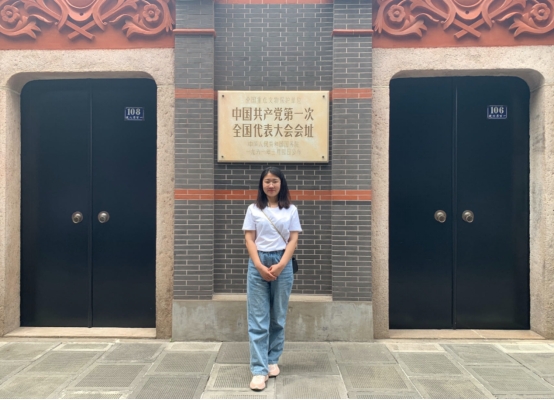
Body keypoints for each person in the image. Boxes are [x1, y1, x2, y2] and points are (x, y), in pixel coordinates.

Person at [242, 166, 302, 391]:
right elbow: (249, 239)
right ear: (262, 184)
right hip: (258, 262)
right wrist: (259, 265)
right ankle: (259, 370)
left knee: (278, 316)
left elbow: (293, 240)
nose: (271, 185)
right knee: (258, 318)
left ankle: (272, 359)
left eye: (275, 181)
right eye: (267, 181)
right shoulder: (253, 209)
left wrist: (281, 265)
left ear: (281, 184)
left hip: (282, 263)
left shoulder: (291, 210)